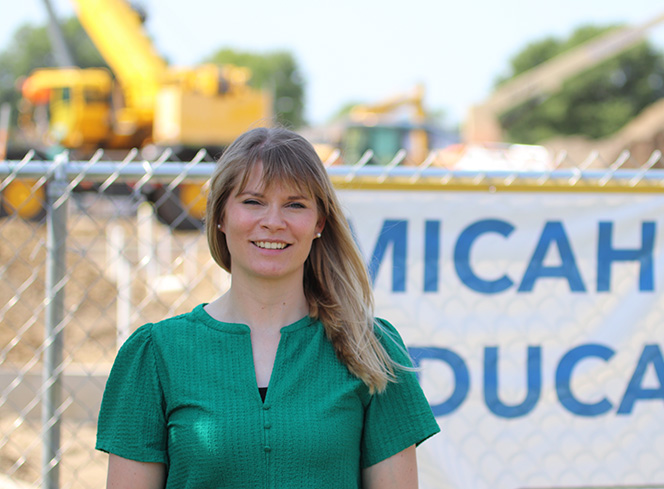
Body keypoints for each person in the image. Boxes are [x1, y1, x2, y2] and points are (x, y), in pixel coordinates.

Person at [96, 126, 440, 488]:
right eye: (253, 201)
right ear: (220, 215)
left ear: (319, 222)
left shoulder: (371, 349)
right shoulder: (155, 355)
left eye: (295, 204)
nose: (273, 222)